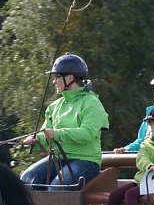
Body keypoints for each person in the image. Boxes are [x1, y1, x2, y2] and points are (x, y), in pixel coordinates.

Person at [21, 52, 109, 189]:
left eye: (57, 77)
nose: (54, 81)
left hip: (85, 160)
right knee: (25, 181)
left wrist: (57, 133)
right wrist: (36, 139)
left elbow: (87, 133)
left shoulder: (92, 103)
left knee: (56, 189)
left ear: (69, 78)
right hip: (58, 159)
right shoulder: (54, 106)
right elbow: (46, 134)